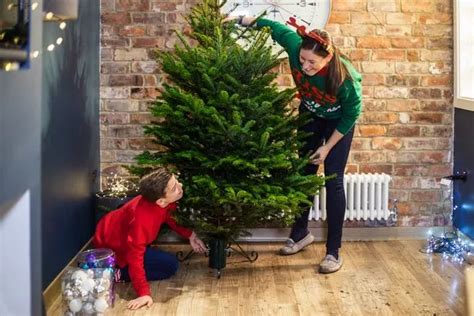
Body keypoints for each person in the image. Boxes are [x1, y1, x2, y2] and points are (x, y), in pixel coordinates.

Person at [229, 16, 362, 273]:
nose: (305, 66)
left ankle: (333, 252)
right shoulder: (295, 46)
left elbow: (351, 115)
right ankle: (300, 233)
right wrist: (239, 19)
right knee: (304, 173)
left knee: (333, 181)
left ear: (327, 58)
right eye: (302, 60)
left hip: (338, 125)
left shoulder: (346, 79)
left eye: (312, 62)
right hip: (311, 115)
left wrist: (327, 147)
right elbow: (272, 26)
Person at [93, 167, 207, 310]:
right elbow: (135, 255)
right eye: (174, 188)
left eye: (176, 181)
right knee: (170, 266)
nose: (181, 186)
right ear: (160, 201)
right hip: (114, 245)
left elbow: (169, 217)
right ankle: (115, 273)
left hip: (125, 236)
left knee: (166, 263)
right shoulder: (142, 221)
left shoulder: (163, 202)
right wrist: (143, 293)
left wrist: (190, 235)